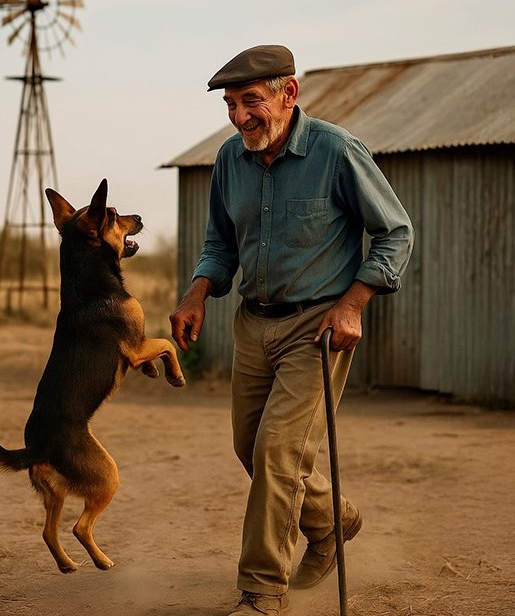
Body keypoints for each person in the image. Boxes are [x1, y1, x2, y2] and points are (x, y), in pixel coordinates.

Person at [170, 44, 413, 616]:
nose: (238, 117)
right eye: (230, 105)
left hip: (317, 327)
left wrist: (353, 304)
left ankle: (261, 593)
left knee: (278, 451)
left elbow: (396, 234)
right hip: (252, 325)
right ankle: (334, 522)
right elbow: (221, 243)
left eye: (250, 101)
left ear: (289, 93)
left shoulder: (337, 152)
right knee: (249, 447)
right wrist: (197, 292)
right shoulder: (231, 159)